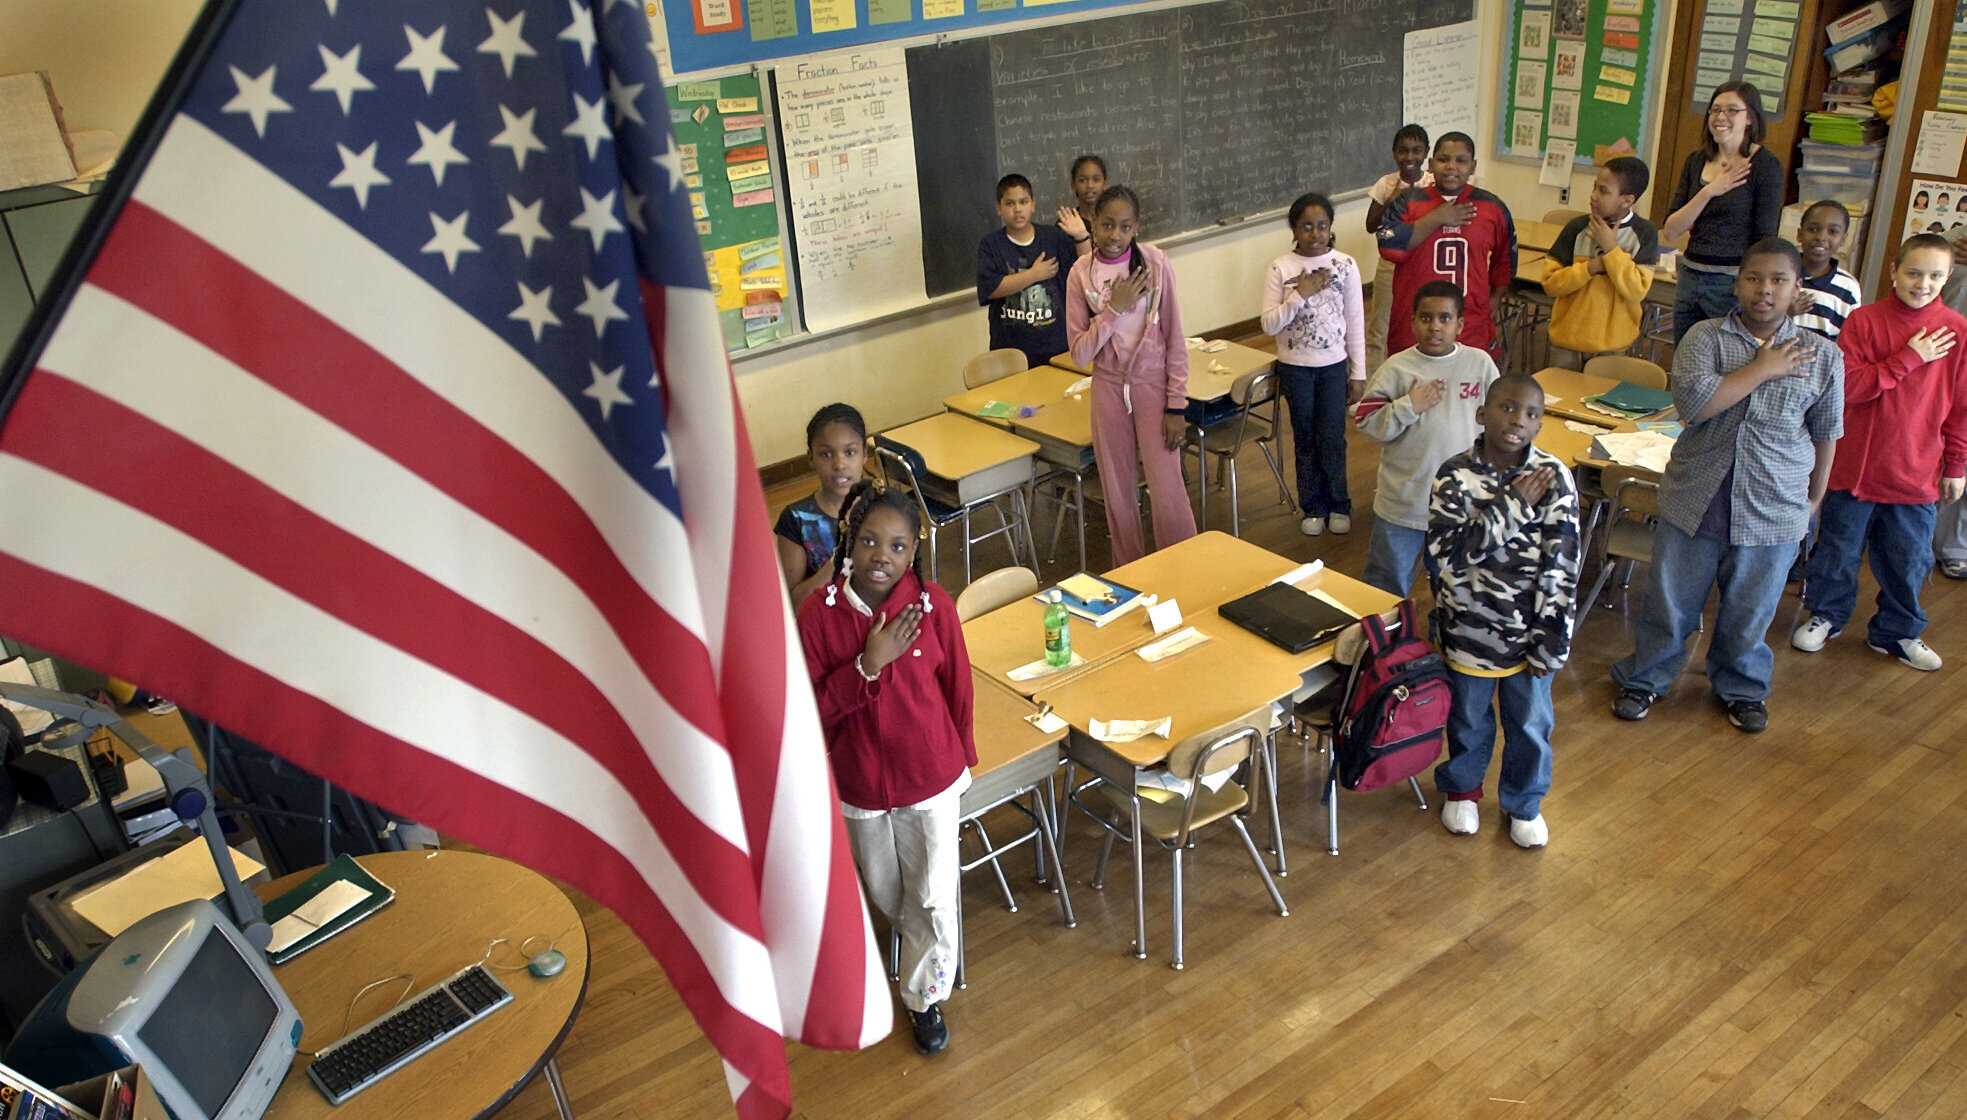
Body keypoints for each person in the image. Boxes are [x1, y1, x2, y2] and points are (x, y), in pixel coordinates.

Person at [1610, 238, 1843, 733]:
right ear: (1736, 284)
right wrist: (1762, 368)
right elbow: (1695, 407)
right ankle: (1645, 678)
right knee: (1670, 602)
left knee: (1750, 610)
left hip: (1775, 505)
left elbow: (1826, 434)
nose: (1764, 291)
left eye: (1779, 281)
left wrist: (1815, 499)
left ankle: (1742, 688)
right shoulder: (1705, 338)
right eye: (1754, 279)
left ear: (1797, 289)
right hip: (1697, 496)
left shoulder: (1823, 356)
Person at [795, 481, 974, 1057]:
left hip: (930, 778)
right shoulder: (819, 617)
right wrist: (867, 666)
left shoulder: (933, 607)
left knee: (934, 897)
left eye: (898, 546)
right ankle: (918, 946)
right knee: (891, 894)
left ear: (914, 550)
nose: (882, 557)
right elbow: (812, 707)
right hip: (862, 788)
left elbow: (958, 689)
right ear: (849, 543)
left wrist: (963, 757)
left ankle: (924, 998)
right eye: (870, 541)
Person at [1792, 234, 1967, 671]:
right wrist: (1908, 358)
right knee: (1836, 549)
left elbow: (1961, 406)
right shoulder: (1865, 321)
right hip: (1856, 470)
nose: (1922, 283)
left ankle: (1898, 631)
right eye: (1913, 272)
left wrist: (1957, 464)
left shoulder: (1958, 332)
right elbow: (1849, 387)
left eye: (1934, 275)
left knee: (1909, 559)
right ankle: (1826, 615)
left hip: (1916, 471)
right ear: (1893, 270)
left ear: (1947, 277)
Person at [1427, 375, 1580, 849]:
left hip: (1530, 632)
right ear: (1482, 413)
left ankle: (1524, 802)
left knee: (1531, 724)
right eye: (1508, 408)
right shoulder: (1453, 476)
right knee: (1469, 718)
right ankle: (1463, 790)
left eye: (1532, 414)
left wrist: (1552, 638)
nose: (1518, 421)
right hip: (1468, 630)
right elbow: (1448, 554)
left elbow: (1563, 564)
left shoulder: (1554, 478)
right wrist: (1513, 505)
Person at [1066, 184, 1197, 566]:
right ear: (1092, 222)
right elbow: (1079, 353)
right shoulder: (1081, 274)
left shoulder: (1155, 264)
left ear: (1136, 226)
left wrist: (1177, 405)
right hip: (1107, 388)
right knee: (1118, 490)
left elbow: (1174, 336)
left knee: (1166, 485)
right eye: (1106, 225)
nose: (1114, 235)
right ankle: (1131, 572)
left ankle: (1184, 564)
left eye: (1124, 227)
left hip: (1153, 385)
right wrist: (1114, 310)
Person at [1354, 280, 1500, 596]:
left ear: (1459, 324)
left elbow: (1499, 421)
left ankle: (1445, 641)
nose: (1434, 327)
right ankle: (1386, 642)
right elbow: (1366, 420)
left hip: (1460, 505)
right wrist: (1410, 406)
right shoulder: (1397, 368)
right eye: (1425, 318)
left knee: (1454, 589)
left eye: (1444, 318)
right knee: (1385, 586)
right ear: (1413, 321)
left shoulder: (1479, 364)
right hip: (1403, 502)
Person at [1261, 191, 1366, 537]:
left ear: (1331, 227)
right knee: (1305, 436)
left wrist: (1359, 373)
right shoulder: (1281, 268)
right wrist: (1300, 294)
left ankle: (1339, 504)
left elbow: (1355, 322)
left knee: (1332, 437)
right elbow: (1269, 324)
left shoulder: (1346, 266)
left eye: (1322, 226)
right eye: (1307, 227)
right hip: (1295, 367)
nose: (1316, 233)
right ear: (1294, 230)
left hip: (1334, 367)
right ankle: (1314, 506)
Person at [1375, 132, 1517, 359]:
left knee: (1469, 387)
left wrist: (1496, 296)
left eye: (1461, 161)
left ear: (1473, 166)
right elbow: (1389, 245)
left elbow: (1505, 259)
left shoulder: (1491, 207)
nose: (1451, 167)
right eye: (1443, 159)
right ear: (1430, 165)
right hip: (1414, 326)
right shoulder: (1408, 201)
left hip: (1470, 324)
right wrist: (1437, 217)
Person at [1662, 82, 1784, 344]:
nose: (1720, 117)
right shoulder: (1696, 161)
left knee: (1726, 358)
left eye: (1732, 110)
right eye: (1715, 110)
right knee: (1685, 356)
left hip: (1731, 284)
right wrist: (1709, 191)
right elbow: (1671, 229)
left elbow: (1764, 241)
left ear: (1750, 117)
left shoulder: (1765, 166)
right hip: (1690, 278)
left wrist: (1749, 287)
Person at [1540, 156, 1661, 369]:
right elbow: (1551, 284)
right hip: (1568, 341)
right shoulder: (1576, 228)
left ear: (1627, 200)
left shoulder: (1644, 234)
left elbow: (1635, 291)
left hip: (1612, 347)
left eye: (1603, 191)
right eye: (1594, 187)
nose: (1593, 196)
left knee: (1602, 401)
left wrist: (1611, 249)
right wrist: (1591, 267)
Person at [976, 173, 1078, 369]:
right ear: (999, 208)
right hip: (1011, 351)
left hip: (1056, 346)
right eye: (1009, 203)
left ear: (1033, 204)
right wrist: (1033, 275)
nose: (1017, 209)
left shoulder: (1053, 237)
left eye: (1023, 202)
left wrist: (1082, 236)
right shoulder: (991, 245)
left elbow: (1084, 269)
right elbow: (991, 288)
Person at [775, 403, 867, 606]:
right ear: (811, 458)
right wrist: (839, 560)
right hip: (823, 628)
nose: (839, 465)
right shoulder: (796, 519)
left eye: (850, 452)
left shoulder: (883, 510)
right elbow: (794, 604)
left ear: (865, 454)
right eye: (826, 454)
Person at [1363, 124, 1433, 373]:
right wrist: (1391, 200)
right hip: (1390, 266)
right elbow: (1371, 225)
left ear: (1426, 153)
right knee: (1379, 326)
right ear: (1394, 153)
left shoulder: (1433, 184)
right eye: (1403, 151)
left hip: (1425, 265)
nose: (1409, 158)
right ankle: (1372, 386)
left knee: (1423, 322)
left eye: (1416, 151)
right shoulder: (1386, 183)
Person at [1793, 200, 1862, 340]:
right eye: (1813, 229)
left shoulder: (1848, 288)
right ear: (1799, 234)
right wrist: (1786, 312)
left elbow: (1849, 339)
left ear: (1843, 239)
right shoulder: (1779, 275)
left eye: (1833, 231)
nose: (1821, 237)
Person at [1058, 155, 1107, 256]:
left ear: (1105, 184)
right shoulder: (1066, 223)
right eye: (1082, 180)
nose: (1090, 185)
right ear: (1073, 185)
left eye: (1096, 179)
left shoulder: (1114, 219)